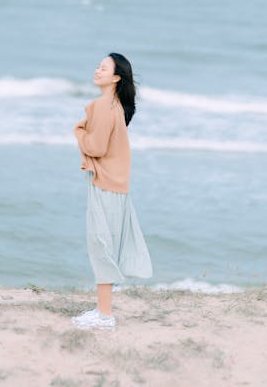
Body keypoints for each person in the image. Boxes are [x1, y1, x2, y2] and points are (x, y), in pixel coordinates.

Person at [71, 52, 153, 330]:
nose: (97, 71)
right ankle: (103, 311)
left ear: (116, 77)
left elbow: (95, 148)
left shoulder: (103, 105)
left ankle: (105, 316)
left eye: (103, 68)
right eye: (97, 66)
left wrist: (78, 130)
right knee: (104, 247)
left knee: (101, 247)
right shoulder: (115, 105)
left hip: (106, 185)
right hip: (115, 185)